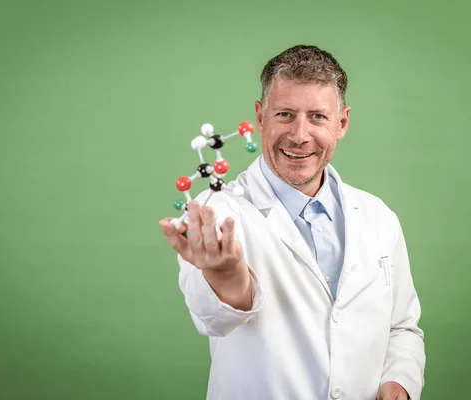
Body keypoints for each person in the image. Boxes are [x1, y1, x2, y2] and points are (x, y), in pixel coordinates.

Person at [159, 45, 425, 400]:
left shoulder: (378, 217)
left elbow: (402, 327)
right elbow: (213, 318)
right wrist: (228, 278)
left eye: (318, 117)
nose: (300, 135)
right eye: (285, 114)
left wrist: (400, 383)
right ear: (260, 116)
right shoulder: (218, 213)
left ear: (342, 123)